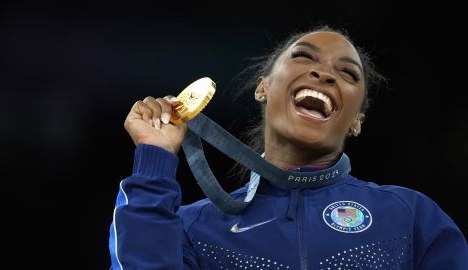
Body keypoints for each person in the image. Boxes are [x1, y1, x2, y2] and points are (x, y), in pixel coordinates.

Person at [109, 26, 468, 269]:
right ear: (263, 87)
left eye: (348, 73)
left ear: (357, 120)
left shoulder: (413, 218)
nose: (324, 74)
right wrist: (154, 159)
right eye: (304, 58)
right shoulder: (194, 228)